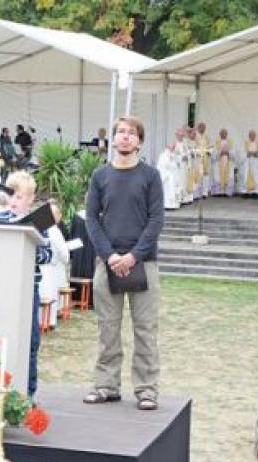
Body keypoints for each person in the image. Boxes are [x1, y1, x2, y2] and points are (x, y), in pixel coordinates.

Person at [83, 116, 164, 411]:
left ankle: (146, 390)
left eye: (131, 133)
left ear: (139, 141)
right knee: (108, 329)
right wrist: (110, 256)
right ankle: (106, 385)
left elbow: (156, 220)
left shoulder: (150, 176)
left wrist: (133, 256)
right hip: (108, 263)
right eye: (121, 132)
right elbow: (91, 218)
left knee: (145, 329)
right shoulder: (100, 176)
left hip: (144, 262)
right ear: (113, 139)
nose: (126, 137)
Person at [0, 171, 54, 397]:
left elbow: (47, 256)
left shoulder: (40, 223)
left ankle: (28, 393)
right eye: (10, 196)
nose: (13, 202)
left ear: (30, 199)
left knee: (30, 342)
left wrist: (28, 246)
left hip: (28, 289)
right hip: (2, 287)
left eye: (19, 197)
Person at [211, 128, 235, 197]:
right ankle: (218, 192)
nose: (223, 135)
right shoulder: (216, 142)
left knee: (228, 176)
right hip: (219, 161)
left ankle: (227, 192)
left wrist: (228, 152)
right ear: (220, 134)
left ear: (227, 134)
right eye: (222, 133)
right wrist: (220, 152)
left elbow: (234, 152)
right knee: (217, 176)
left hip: (228, 161)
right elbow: (214, 152)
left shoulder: (230, 142)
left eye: (225, 133)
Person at [240, 129, 258, 196]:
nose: (252, 136)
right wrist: (247, 154)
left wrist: (257, 154)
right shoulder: (245, 143)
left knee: (256, 176)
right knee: (245, 176)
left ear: (255, 136)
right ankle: (245, 192)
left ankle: (255, 192)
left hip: (256, 163)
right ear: (249, 136)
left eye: (253, 135)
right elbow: (241, 153)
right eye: (250, 135)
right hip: (247, 162)